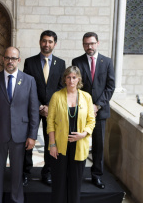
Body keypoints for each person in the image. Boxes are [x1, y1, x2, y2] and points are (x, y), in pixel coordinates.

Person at [0, 47, 39, 203]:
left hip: (20, 136)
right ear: (3, 59)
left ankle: (17, 200)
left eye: (13, 58)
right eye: (7, 58)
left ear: (19, 60)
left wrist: (32, 136)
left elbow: (34, 111)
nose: (10, 61)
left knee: (17, 173)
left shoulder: (29, 81)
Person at [72, 32, 115, 189]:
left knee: (98, 145)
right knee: (79, 143)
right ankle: (77, 174)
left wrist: (97, 106)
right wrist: (85, 106)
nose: (89, 47)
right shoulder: (77, 61)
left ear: (98, 43)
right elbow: (76, 85)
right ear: (83, 45)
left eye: (91, 43)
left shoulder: (107, 62)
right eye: (86, 44)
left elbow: (110, 87)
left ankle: (96, 176)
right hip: (81, 111)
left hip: (100, 112)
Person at [22, 30, 66, 186]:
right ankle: (25, 172)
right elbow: (28, 86)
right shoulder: (30, 62)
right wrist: (39, 105)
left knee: (51, 142)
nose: (47, 44)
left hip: (52, 111)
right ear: (40, 42)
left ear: (55, 43)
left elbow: (61, 87)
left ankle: (47, 172)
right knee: (28, 140)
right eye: (44, 41)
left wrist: (49, 106)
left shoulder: (61, 64)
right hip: (33, 108)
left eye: (50, 41)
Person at [47, 66, 96, 203]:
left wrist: (83, 134)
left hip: (79, 145)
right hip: (60, 146)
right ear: (65, 79)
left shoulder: (87, 97)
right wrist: (52, 144)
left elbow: (91, 121)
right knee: (59, 182)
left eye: (74, 77)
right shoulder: (56, 96)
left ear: (79, 79)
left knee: (75, 183)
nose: (71, 80)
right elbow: (50, 122)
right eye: (68, 77)